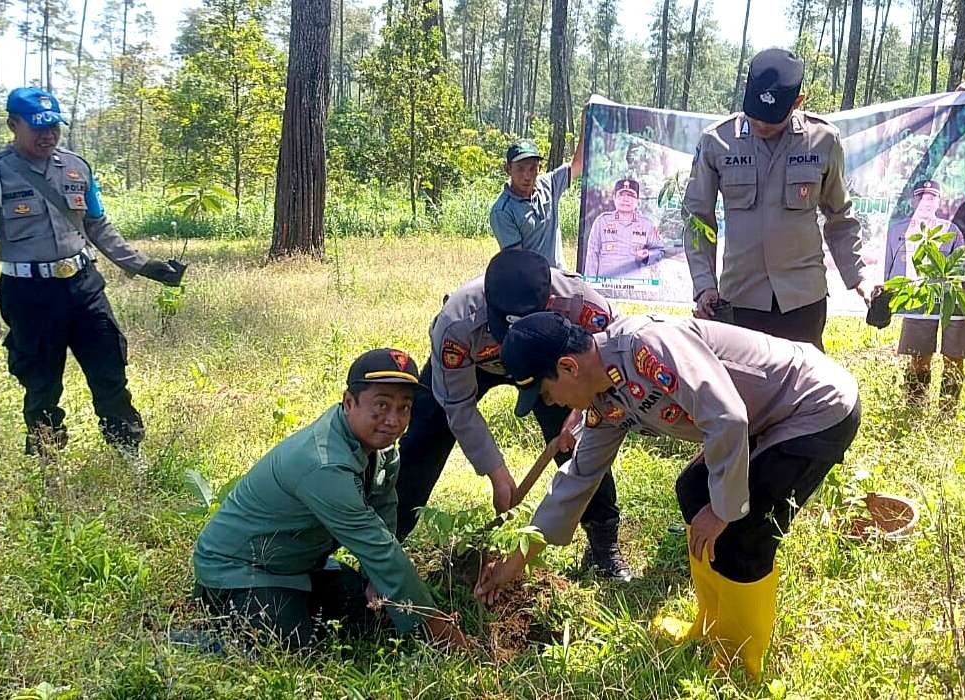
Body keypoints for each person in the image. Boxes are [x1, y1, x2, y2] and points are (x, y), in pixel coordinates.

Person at [475, 311, 861, 678]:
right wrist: (515, 564)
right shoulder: (605, 399)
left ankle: (741, 662)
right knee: (694, 491)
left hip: (812, 406)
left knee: (743, 528)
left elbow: (726, 417)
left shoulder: (647, 348)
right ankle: (710, 627)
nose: (552, 404)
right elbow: (577, 481)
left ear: (568, 367)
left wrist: (724, 510)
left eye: (546, 392)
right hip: (762, 418)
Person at [193, 348, 469, 651]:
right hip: (240, 570)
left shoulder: (381, 448)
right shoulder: (324, 464)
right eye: (381, 405)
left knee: (368, 618)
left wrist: (375, 578)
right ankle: (185, 641)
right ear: (349, 402)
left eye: (404, 408)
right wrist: (432, 625)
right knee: (288, 646)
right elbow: (377, 546)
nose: (393, 420)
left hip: (300, 563)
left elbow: (385, 509)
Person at [0, 87, 185, 457]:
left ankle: (128, 451)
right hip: (29, 294)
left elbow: (98, 225)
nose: (47, 134)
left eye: (53, 125)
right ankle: (47, 464)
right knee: (41, 382)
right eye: (37, 127)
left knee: (110, 371)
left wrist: (143, 264)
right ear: (12, 124)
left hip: (84, 286)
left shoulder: (76, 167)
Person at [396, 249, 633, 580]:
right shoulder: (456, 324)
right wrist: (496, 472)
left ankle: (602, 543)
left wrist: (580, 410)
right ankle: (387, 544)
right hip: (477, 364)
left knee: (582, 443)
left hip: (548, 366)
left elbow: (604, 362)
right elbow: (458, 405)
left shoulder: (581, 304)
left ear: (550, 301)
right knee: (424, 433)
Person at [681, 48, 872, 350]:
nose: (762, 125)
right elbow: (697, 221)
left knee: (804, 392)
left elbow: (840, 219)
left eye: (773, 118)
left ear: (797, 102)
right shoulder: (717, 141)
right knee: (742, 392)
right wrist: (704, 286)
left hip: (802, 301)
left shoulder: (823, 140)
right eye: (755, 115)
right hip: (740, 300)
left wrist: (861, 278)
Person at [897, 124, 965, 409]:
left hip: (961, 283)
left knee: (955, 355)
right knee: (919, 352)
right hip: (926, 281)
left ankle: (946, 416)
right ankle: (914, 409)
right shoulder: (933, 191)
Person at [488, 127, 584, 269]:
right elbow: (518, 262)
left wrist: (586, 123)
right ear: (508, 169)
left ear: (540, 168)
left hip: (559, 278)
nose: (527, 176)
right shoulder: (502, 211)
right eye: (520, 169)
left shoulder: (549, 185)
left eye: (532, 168)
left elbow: (578, 164)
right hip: (530, 283)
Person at [884, 179, 965, 281]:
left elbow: (961, 268)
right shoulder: (896, 230)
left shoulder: (951, 231)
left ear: (938, 202)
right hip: (901, 293)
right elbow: (885, 267)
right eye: (920, 198)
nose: (926, 203)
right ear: (912, 202)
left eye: (931, 199)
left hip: (936, 294)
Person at [584, 178, 665, 279]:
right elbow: (592, 255)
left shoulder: (647, 225)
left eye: (631, 195)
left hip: (635, 288)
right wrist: (589, 284)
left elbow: (660, 251)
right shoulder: (601, 222)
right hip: (605, 287)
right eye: (621, 194)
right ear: (614, 198)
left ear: (637, 201)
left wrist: (647, 255)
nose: (625, 199)